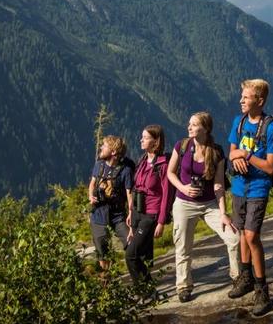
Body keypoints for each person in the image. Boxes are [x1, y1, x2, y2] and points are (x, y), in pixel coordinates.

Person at [167, 111, 239, 303]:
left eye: (194, 124)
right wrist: (183, 188)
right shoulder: (181, 146)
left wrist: (224, 213)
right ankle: (183, 286)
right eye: (189, 124)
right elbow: (170, 173)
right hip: (184, 203)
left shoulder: (216, 152)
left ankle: (237, 277)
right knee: (183, 246)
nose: (189, 127)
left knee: (234, 238)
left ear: (205, 129)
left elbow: (219, 184)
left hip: (209, 204)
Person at [226, 79, 273, 316]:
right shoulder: (238, 122)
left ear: (259, 100)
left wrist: (245, 155)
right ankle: (245, 276)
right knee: (241, 234)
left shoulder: (270, 128)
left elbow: (270, 167)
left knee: (252, 235)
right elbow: (231, 153)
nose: (241, 101)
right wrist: (236, 157)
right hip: (239, 187)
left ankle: (262, 288)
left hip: (258, 187)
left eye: (245, 98)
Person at [126, 125, 174, 284]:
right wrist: (130, 213)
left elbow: (167, 194)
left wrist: (161, 221)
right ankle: (147, 289)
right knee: (142, 256)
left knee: (131, 255)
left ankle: (144, 290)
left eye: (145, 137)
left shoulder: (163, 164)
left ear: (155, 141)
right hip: (138, 211)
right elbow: (135, 189)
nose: (141, 140)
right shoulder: (142, 161)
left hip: (151, 214)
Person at [88, 135, 135, 272]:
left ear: (113, 152)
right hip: (98, 214)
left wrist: (131, 213)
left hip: (118, 215)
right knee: (102, 252)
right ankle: (106, 284)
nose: (101, 147)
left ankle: (137, 275)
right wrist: (91, 196)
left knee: (131, 244)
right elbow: (92, 183)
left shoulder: (125, 171)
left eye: (104, 145)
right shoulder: (99, 165)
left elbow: (129, 194)